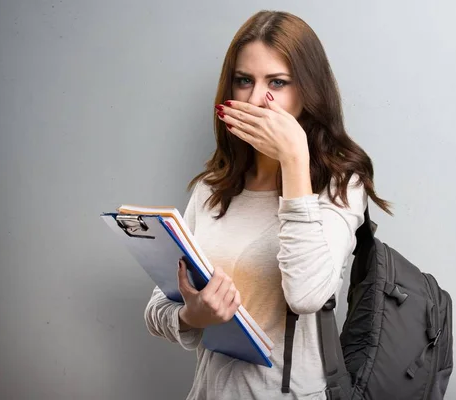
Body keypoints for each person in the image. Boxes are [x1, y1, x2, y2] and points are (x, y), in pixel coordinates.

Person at [143, 10, 392, 400]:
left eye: (277, 82)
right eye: (244, 81)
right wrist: (194, 316)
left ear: (308, 90)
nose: (257, 98)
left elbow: (307, 295)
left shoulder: (341, 186)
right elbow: (157, 309)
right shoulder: (212, 188)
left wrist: (294, 160)